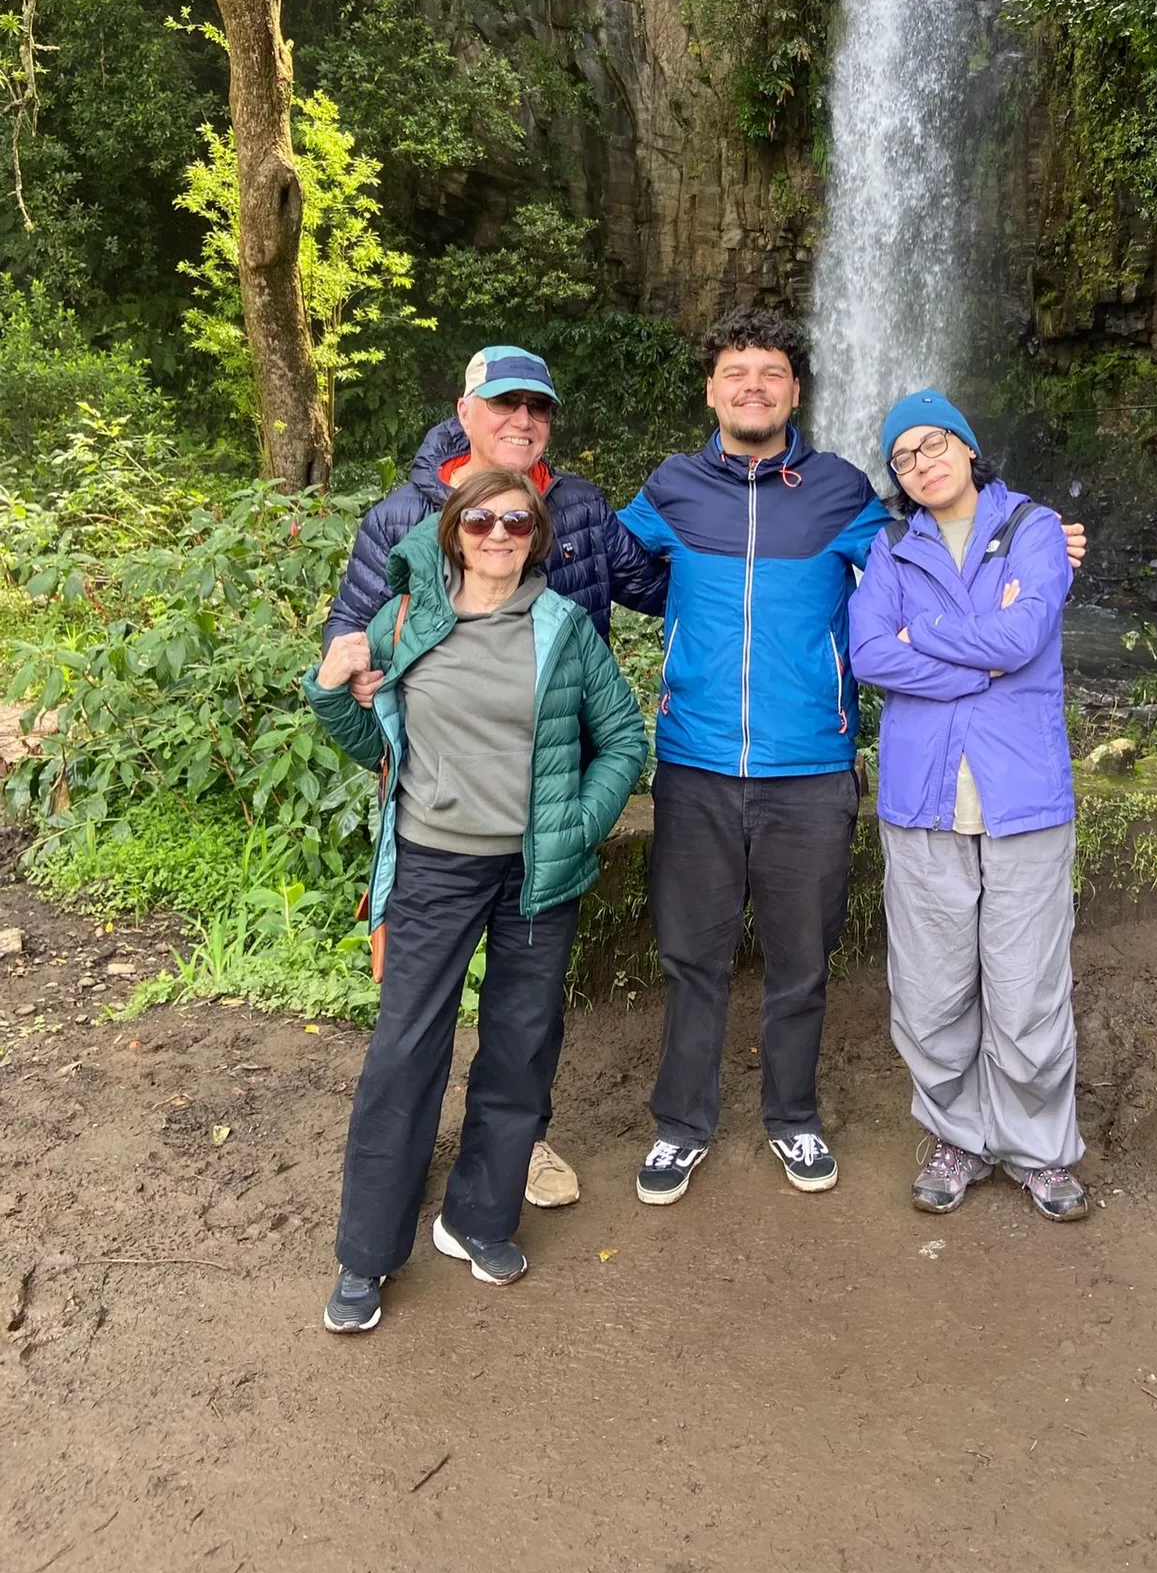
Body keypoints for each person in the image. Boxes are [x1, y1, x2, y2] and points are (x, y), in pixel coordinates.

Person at [614, 310, 1088, 1206]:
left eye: (771, 372)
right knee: (690, 956)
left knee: (802, 961)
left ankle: (793, 1118)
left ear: (796, 390)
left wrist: (1045, 545)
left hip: (810, 767)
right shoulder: (673, 488)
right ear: (712, 390)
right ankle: (681, 1126)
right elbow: (612, 564)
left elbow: (935, 546)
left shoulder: (842, 492)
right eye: (735, 372)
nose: (753, 386)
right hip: (697, 759)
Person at [326, 344, 669, 1211]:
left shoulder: (580, 506)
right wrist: (356, 680)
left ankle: (517, 1152)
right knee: (415, 1021)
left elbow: (660, 586)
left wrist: (749, 531)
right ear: (465, 410)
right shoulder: (403, 513)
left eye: (538, 407)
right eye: (505, 403)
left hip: (547, 808)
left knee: (525, 1019)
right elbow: (351, 636)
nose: (523, 420)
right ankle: (394, 1179)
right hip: (440, 810)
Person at [304, 467, 647, 1333]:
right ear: (454, 530)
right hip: (434, 866)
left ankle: (479, 1220)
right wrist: (328, 689)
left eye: (517, 522)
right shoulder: (406, 621)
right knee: (405, 1051)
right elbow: (371, 738)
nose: (499, 534)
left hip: (536, 874)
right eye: (482, 520)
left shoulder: (563, 627)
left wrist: (579, 822)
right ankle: (366, 1255)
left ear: (536, 538)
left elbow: (622, 737)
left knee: (521, 1048)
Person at [848, 392, 1087, 1223]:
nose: (922, 463)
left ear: (968, 446)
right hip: (922, 798)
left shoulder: (1034, 527)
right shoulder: (890, 548)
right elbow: (869, 653)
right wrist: (978, 658)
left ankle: (1039, 1149)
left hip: (1023, 794)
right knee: (931, 987)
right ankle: (958, 1137)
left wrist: (923, 635)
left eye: (934, 444)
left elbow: (1024, 637)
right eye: (903, 457)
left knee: (1028, 988)